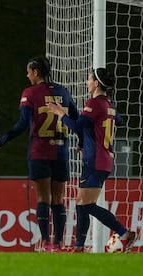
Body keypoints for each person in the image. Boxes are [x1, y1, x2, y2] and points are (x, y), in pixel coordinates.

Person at [0, 55, 79, 252]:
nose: (27, 75)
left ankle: (46, 242)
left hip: (40, 152)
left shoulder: (30, 93)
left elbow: (22, 124)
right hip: (61, 153)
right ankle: (59, 244)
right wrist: (81, 141)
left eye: (29, 71)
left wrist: (1, 140)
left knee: (43, 199)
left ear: (36, 72)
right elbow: (77, 120)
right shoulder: (64, 92)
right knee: (58, 200)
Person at [47, 67, 137, 253]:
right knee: (81, 202)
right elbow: (117, 121)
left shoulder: (95, 103)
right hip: (101, 159)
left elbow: (77, 126)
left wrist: (60, 112)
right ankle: (79, 247)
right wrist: (87, 139)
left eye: (89, 79)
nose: (86, 82)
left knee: (86, 204)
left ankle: (124, 233)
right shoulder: (108, 104)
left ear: (96, 83)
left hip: (96, 160)